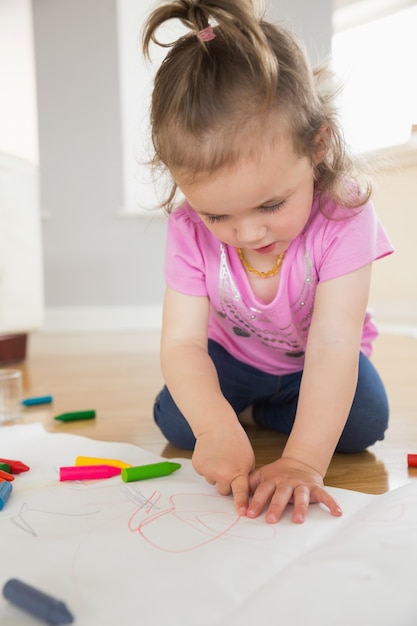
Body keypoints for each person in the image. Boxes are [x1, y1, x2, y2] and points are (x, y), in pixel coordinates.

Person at [142, 0, 394, 524]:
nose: (249, 233)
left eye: (272, 205)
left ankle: (268, 414)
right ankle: (249, 411)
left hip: (314, 363)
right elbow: (183, 343)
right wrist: (214, 426)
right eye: (218, 214)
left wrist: (302, 461)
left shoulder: (346, 214)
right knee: (179, 421)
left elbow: (333, 344)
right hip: (233, 356)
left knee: (365, 422)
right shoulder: (187, 228)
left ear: (318, 145)